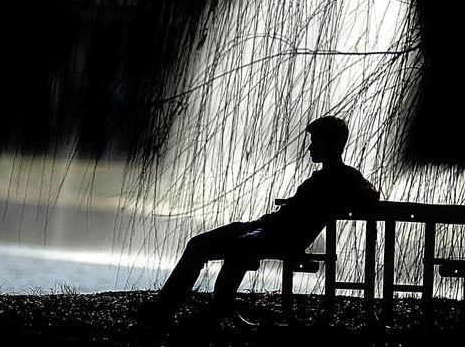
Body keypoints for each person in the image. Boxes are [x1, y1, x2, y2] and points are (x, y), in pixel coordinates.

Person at [139, 116, 379, 328]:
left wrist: (356, 194)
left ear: (329, 145)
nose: (309, 148)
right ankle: (175, 309)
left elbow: (369, 196)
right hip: (267, 227)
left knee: (228, 246)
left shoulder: (345, 176)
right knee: (198, 243)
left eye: (314, 142)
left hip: (280, 236)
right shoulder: (331, 176)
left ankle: (195, 312)